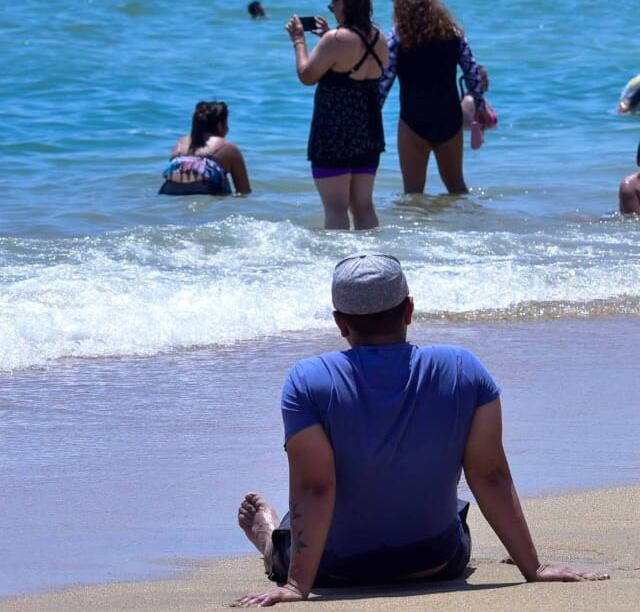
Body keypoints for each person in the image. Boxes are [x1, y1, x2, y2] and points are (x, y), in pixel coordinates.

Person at [231, 255, 606, 606]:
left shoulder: (307, 381)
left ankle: (271, 545)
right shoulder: (464, 369)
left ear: (340, 323)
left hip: (334, 572)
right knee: (452, 508)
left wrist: (297, 586)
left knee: (292, 526)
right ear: (409, 310)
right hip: (438, 561)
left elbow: (316, 487)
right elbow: (489, 475)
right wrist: (534, 569)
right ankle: (278, 541)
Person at [288, 0, 387, 230]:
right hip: (368, 131)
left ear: (341, 3)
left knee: (335, 208)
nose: (333, 10)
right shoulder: (380, 38)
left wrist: (299, 41)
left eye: (333, 6)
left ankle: (340, 264)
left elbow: (307, 75)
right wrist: (327, 35)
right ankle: (372, 264)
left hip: (334, 133)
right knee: (364, 207)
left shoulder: (334, 40)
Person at [376, 0, 485, 195]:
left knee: (413, 193)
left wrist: (372, 113)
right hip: (449, 119)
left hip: (414, 120)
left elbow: (384, 83)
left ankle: (419, 228)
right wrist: (478, 105)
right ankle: (469, 225)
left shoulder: (398, 40)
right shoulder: (454, 35)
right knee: (457, 187)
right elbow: (473, 74)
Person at [160, 100, 250, 196]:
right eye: (227, 123)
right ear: (220, 126)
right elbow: (243, 192)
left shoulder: (180, 144)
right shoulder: (228, 148)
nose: (228, 129)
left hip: (168, 191)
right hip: (204, 190)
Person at [460, 65, 498, 150]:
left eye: (487, 77)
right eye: (483, 78)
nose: (488, 80)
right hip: (477, 153)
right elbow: (464, 128)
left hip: (488, 149)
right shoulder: (469, 101)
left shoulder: (482, 100)